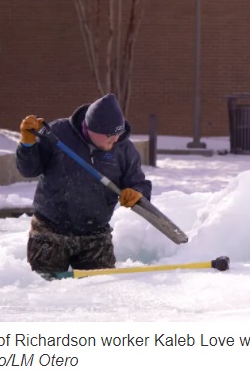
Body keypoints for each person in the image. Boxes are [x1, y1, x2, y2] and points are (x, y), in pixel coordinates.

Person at [16, 93, 152, 278]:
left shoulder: (124, 149)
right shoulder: (58, 133)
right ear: (90, 128)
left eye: (118, 134)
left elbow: (139, 182)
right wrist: (27, 145)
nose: (115, 140)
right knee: (44, 293)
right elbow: (29, 170)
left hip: (95, 235)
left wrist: (137, 193)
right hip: (49, 230)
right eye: (110, 135)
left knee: (101, 290)